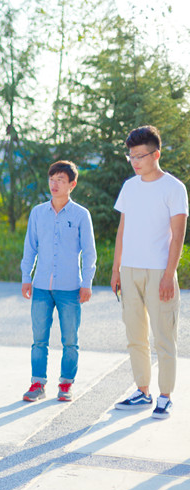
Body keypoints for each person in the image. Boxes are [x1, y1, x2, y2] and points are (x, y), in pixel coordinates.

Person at [112, 125, 187, 419]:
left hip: (159, 272)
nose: (134, 161)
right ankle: (142, 391)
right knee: (135, 335)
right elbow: (122, 230)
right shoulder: (130, 187)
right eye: (131, 155)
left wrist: (170, 273)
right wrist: (116, 269)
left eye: (140, 155)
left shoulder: (173, 188)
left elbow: (178, 234)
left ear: (156, 154)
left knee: (164, 337)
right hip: (130, 270)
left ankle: (165, 396)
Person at [20, 161, 97, 402]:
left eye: (60, 180)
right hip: (41, 285)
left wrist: (87, 283)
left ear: (72, 184)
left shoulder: (81, 215)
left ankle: (65, 384)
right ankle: (37, 384)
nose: (54, 184)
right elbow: (30, 248)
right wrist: (26, 277)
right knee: (39, 339)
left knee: (70, 340)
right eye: (51, 179)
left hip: (70, 288)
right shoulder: (37, 213)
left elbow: (90, 252)